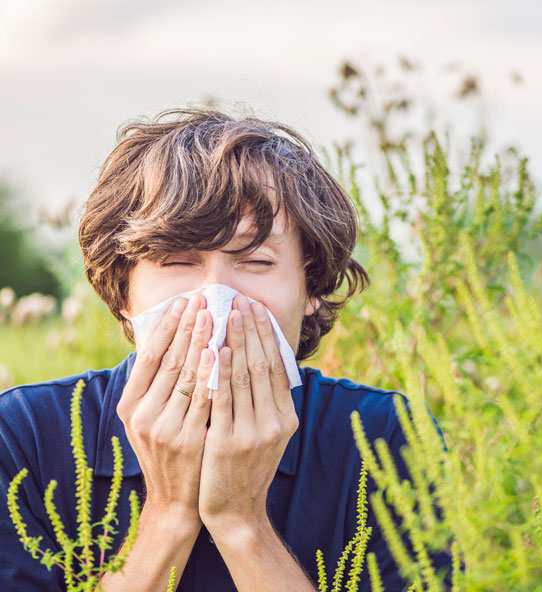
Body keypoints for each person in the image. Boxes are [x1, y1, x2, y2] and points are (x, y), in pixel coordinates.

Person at [0, 108, 448, 591]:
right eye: (176, 260)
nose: (216, 297)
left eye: (255, 260)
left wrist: (242, 523)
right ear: (122, 291)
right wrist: (170, 512)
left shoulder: (385, 440)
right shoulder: (24, 437)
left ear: (311, 285)